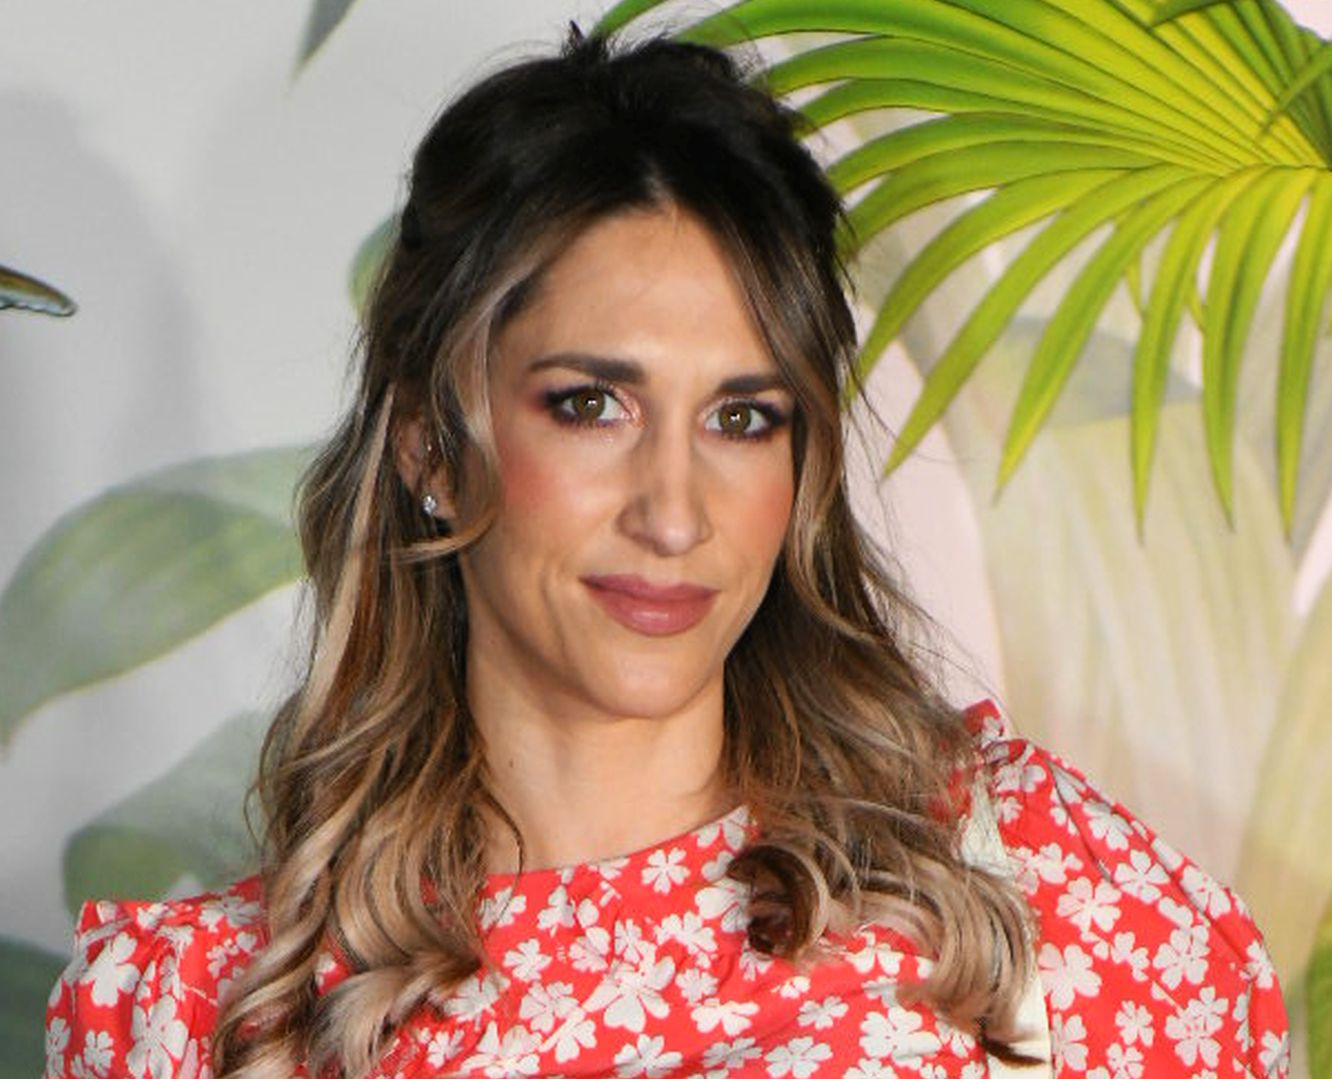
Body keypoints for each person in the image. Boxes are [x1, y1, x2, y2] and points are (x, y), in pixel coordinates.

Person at [44, 27, 1288, 1079]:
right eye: (592, 404)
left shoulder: (1050, 904)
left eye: (744, 418)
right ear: (430, 443)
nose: (676, 512)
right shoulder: (191, 1017)